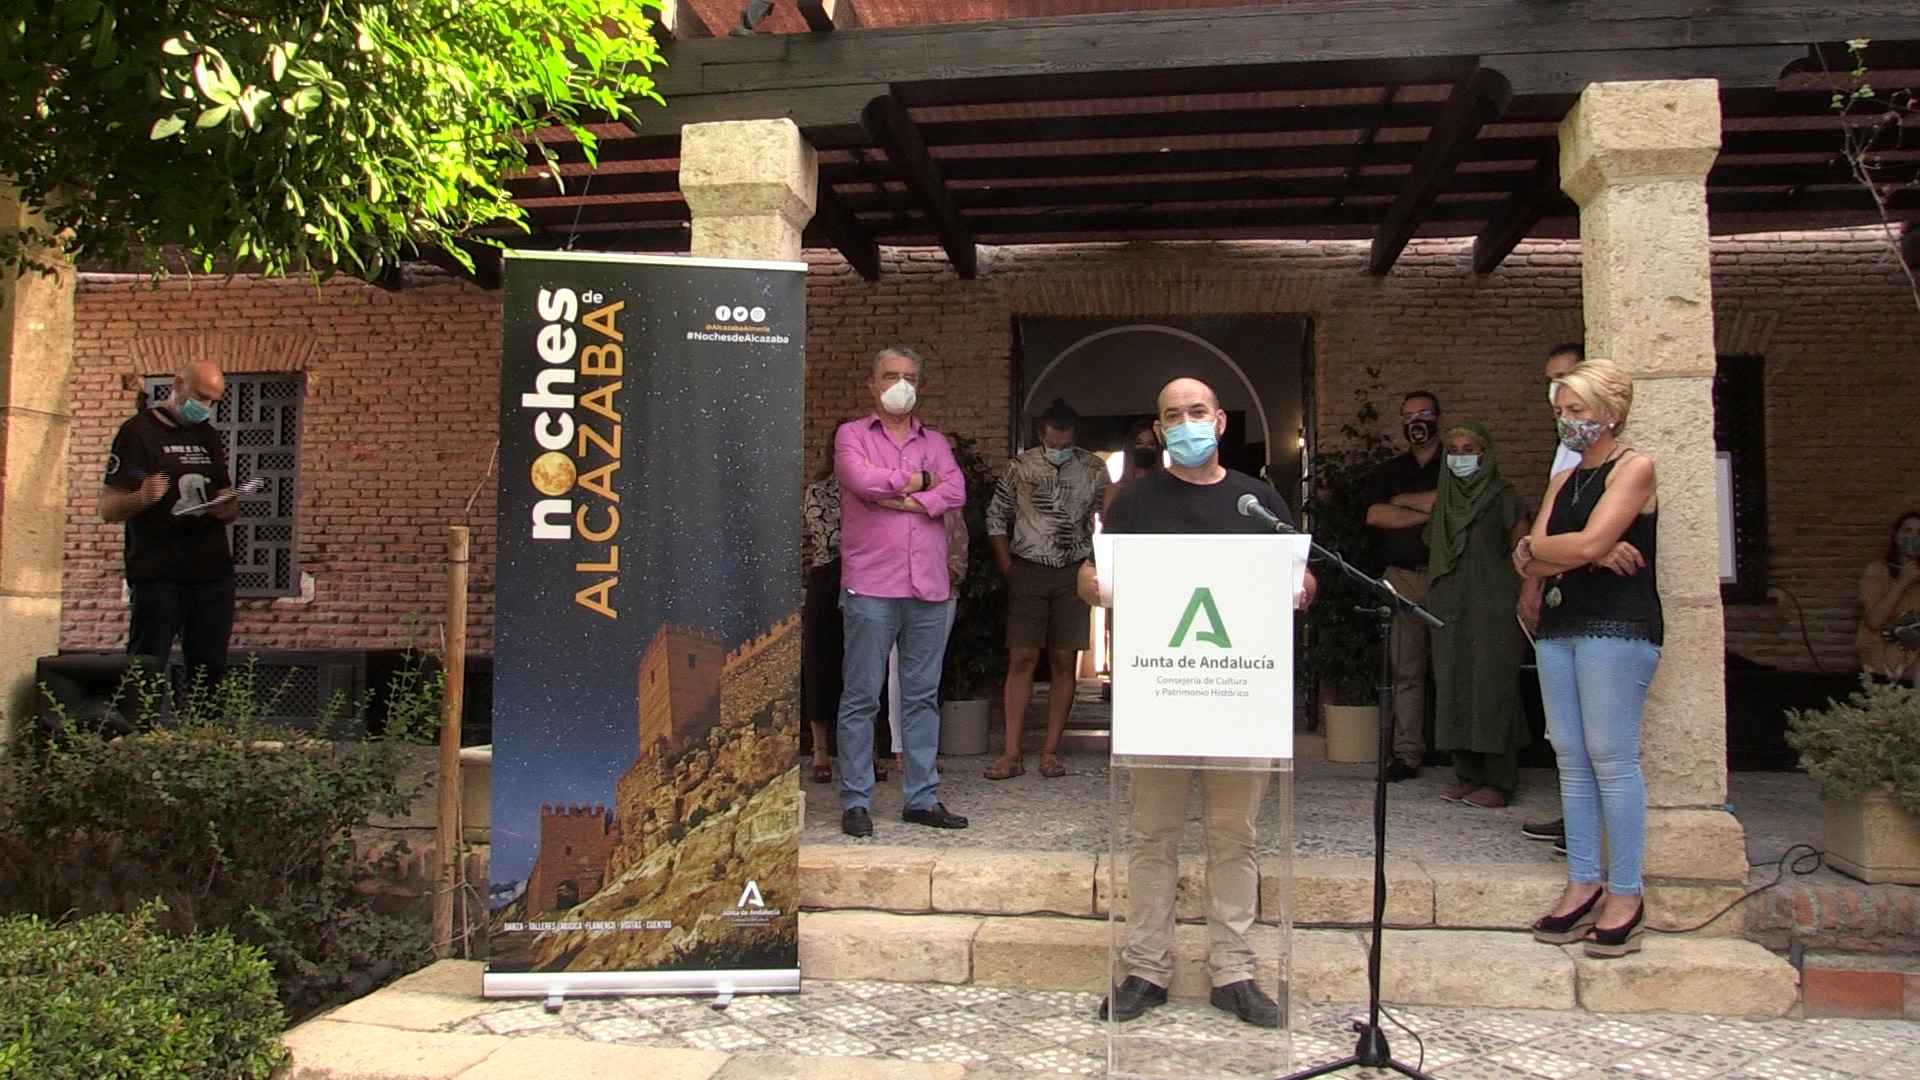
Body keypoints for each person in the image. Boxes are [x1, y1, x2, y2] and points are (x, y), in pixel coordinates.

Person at [1079, 377, 1317, 1029]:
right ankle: (1146, 969)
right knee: (1152, 837)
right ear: (1159, 431)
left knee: (1235, 838)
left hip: (1239, 700)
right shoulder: (1135, 500)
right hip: (1160, 698)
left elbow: (1299, 574)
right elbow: (1093, 572)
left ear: (1219, 421)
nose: (1186, 423)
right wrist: (1092, 583)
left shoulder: (1256, 500)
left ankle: (1234, 972)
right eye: (1173, 415)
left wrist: (1302, 586)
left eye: (1197, 411)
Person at [1512, 358, 1660, 959]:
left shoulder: (1635, 467)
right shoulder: (1564, 477)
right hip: (1560, 624)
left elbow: (1581, 541)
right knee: (1570, 756)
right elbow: (1529, 556)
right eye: (1560, 412)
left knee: (1611, 757)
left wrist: (1572, 549)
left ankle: (1626, 892)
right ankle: (1582, 881)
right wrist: (1580, 552)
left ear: (1610, 412)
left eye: (1576, 411)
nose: (1567, 421)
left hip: (1616, 625)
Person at [833, 345, 969, 838]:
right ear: (872, 384)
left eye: (909, 376)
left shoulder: (936, 441)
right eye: (890, 375)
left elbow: (956, 492)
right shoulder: (851, 435)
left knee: (921, 698)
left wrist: (901, 499)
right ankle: (856, 801)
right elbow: (861, 482)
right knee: (861, 697)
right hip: (871, 584)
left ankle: (922, 799)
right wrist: (922, 485)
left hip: (929, 587)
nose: (900, 384)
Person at [983, 398, 1110, 780]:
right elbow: (996, 517)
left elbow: (1110, 518)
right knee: (1021, 656)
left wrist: (1095, 566)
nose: (1059, 450)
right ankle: (1011, 753)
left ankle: (1050, 752)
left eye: (1065, 444)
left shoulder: (1093, 468)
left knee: (1063, 659)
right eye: (1053, 444)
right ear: (1041, 435)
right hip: (1028, 568)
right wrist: (1008, 567)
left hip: (1073, 571)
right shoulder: (1019, 466)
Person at [99, 359, 241, 690]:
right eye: (201, 396)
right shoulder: (137, 433)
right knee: (145, 668)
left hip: (211, 573)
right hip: (158, 574)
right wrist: (142, 498)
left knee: (210, 672)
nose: (206, 407)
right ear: (178, 383)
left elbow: (226, 495)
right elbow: (108, 509)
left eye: (213, 401)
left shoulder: (208, 436)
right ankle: (140, 722)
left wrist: (227, 507)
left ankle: (204, 722)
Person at [1425, 422, 1530, 809]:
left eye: (1469, 449)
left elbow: (1524, 552)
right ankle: (1467, 775)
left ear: (1485, 454)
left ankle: (1500, 780)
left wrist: (1527, 596)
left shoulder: (1504, 497)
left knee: (1491, 688)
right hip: (1449, 605)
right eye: (1453, 450)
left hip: (1492, 606)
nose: (1460, 457)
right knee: (1453, 684)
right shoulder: (1445, 502)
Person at [1520, 343, 1585, 848]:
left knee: (1598, 732)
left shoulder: (1627, 462)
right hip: (1559, 593)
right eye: (1550, 383)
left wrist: (1543, 554)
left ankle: (1588, 830)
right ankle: (1574, 818)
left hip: (1600, 608)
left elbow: (1590, 540)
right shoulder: (1565, 448)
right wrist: (1534, 575)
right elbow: (1536, 541)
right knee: (1564, 725)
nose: (1556, 393)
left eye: (1566, 378)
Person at [801, 426, 890, 784]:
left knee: (867, 664)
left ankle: (868, 750)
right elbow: (829, 537)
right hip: (829, 577)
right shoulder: (818, 490)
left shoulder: (877, 488)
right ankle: (821, 749)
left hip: (870, 578)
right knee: (822, 662)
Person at [1364, 390, 1445, 780]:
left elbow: (1456, 504)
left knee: (1452, 667)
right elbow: (1377, 516)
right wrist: (1433, 511)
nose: (1416, 421)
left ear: (1438, 417)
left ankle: (1461, 754)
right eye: (1408, 415)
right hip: (1401, 578)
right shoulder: (1390, 471)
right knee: (1406, 670)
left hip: (1447, 577)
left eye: (1423, 413)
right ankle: (1407, 753)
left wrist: (1403, 503)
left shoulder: (1455, 463)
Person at [885, 504, 969, 773]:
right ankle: (900, 747)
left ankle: (922, 750)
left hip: (941, 593)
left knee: (929, 673)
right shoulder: (890, 499)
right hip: (898, 591)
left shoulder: (949, 503)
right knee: (898, 667)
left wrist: (939, 575)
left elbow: (959, 553)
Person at [1857, 511, 1920, 683]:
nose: (1913, 537)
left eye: (1919, 533)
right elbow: (1874, 621)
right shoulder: (1877, 570)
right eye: (1907, 530)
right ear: (1896, 535)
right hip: (1883, 650)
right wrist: (1902, 581)